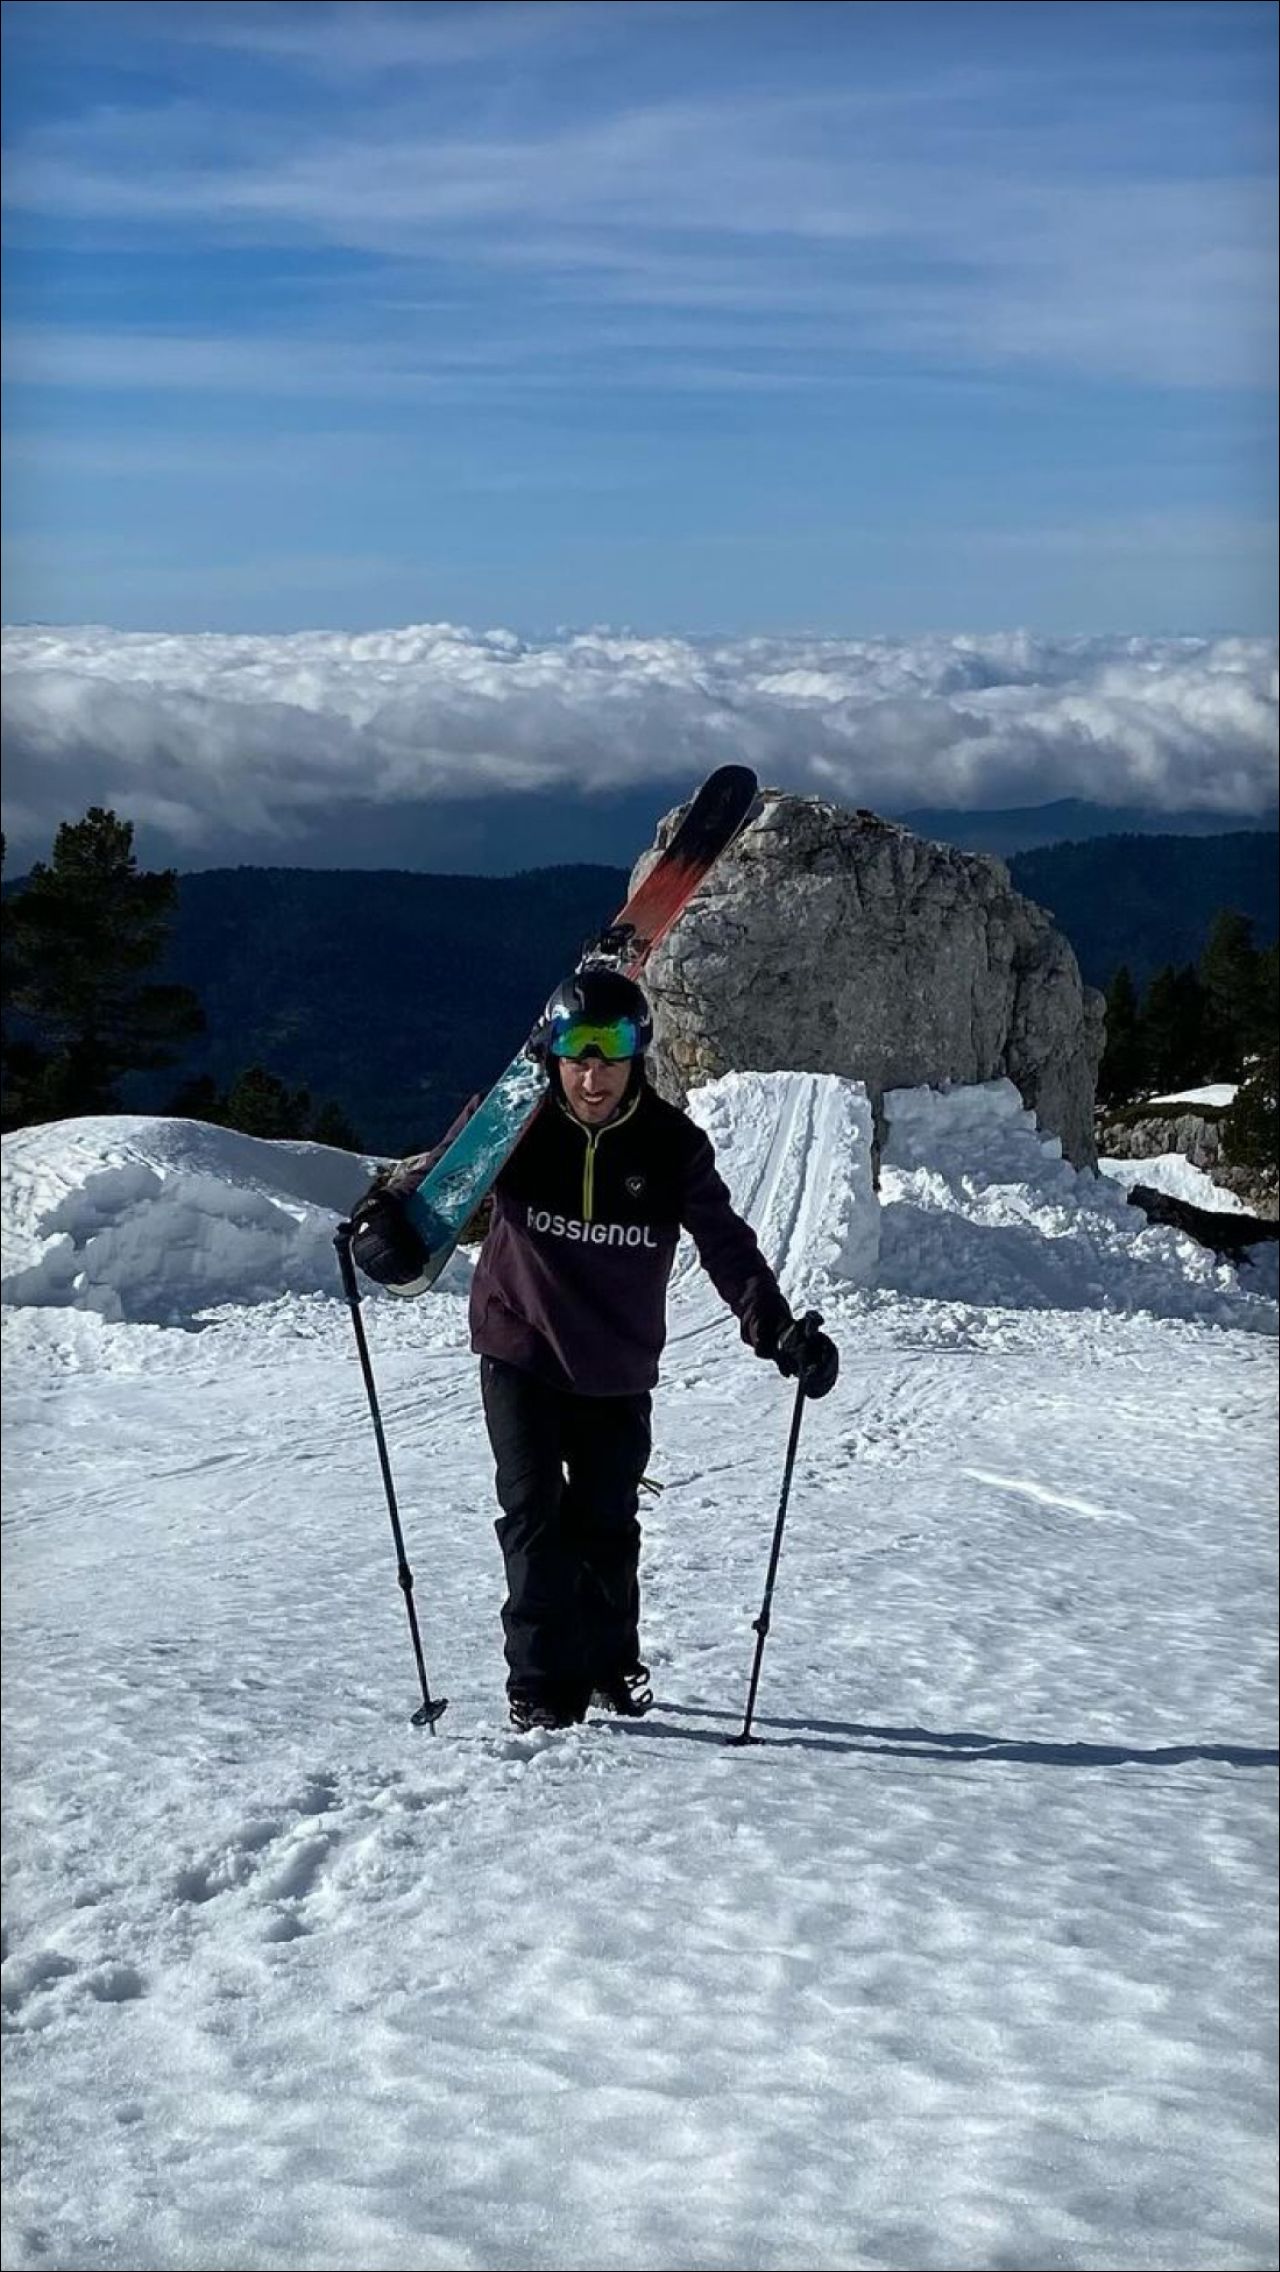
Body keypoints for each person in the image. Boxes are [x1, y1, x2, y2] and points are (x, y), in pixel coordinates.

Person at [368, 967, 838, 1733]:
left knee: (607, 1522)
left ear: (636, 1059)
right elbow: (436, 1178)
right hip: (519, 1342)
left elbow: (727, 1246)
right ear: (552, 1057)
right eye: (577, 1058)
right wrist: (383, 1216)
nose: (593, 1078)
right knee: (531, 1514)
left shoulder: (670, 1145)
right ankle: (542, 1683)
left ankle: (611, 1663)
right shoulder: (514, 1124)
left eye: (611, 1058)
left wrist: (778, 1332)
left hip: (617, 1359)